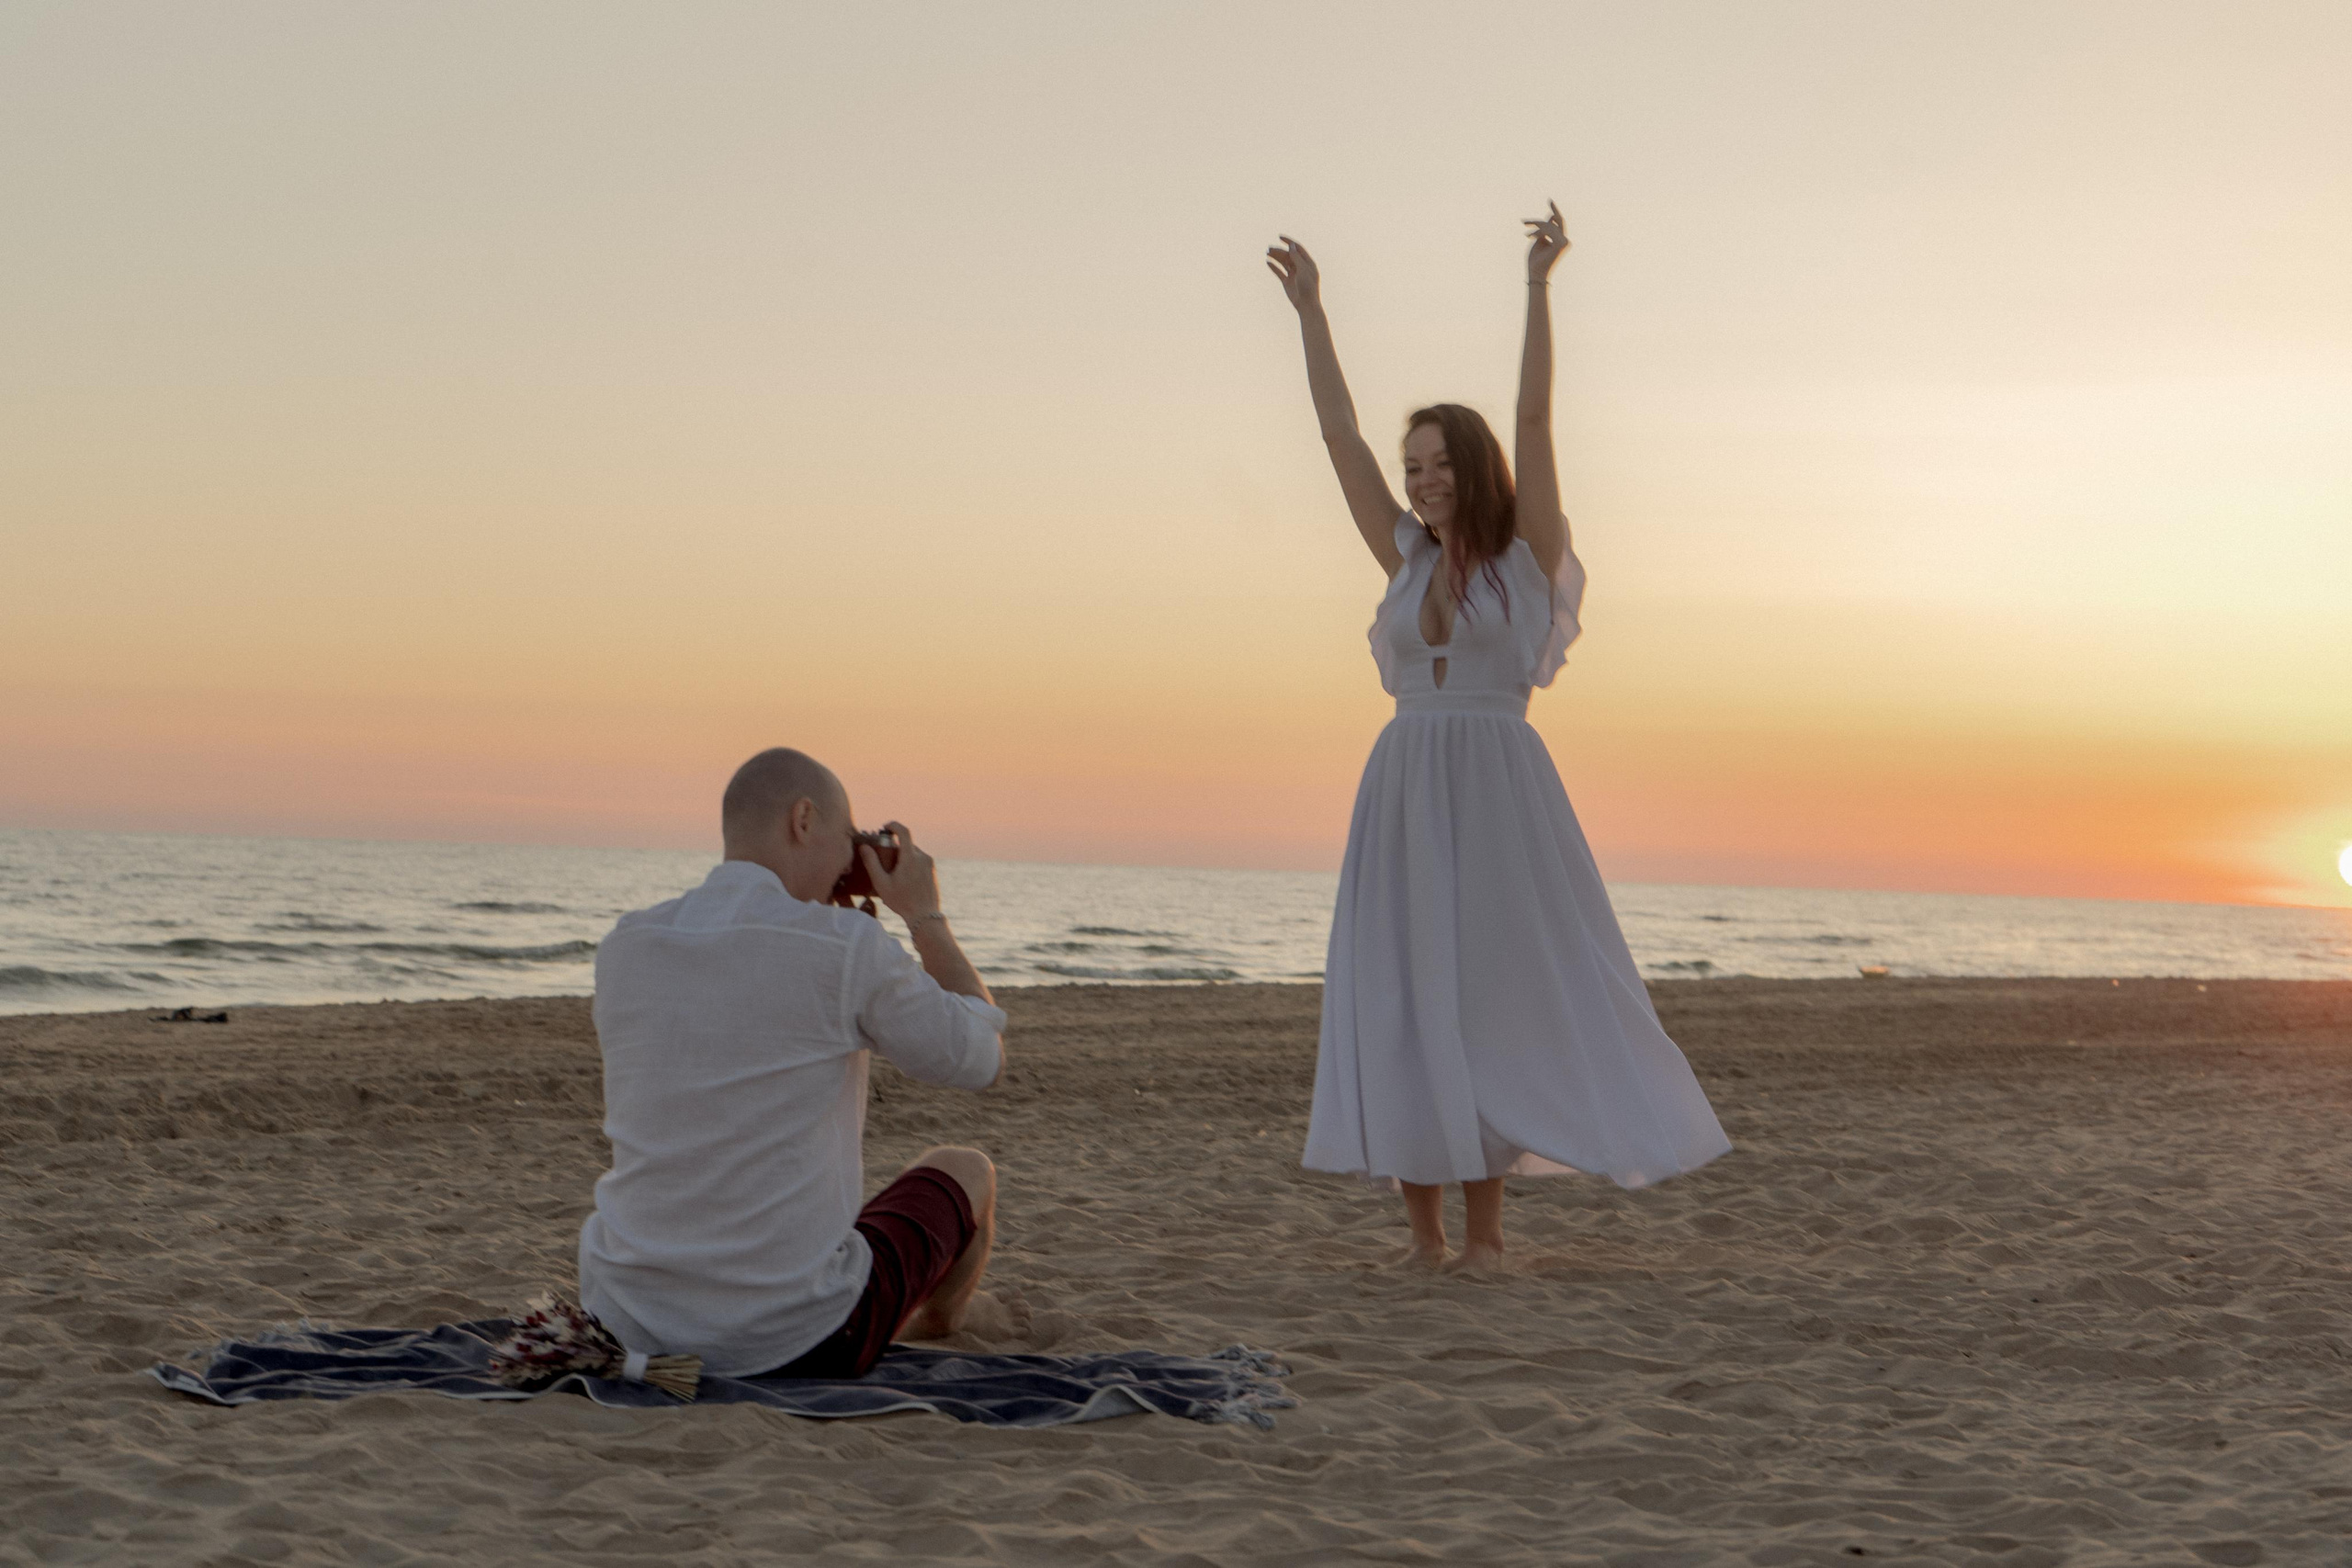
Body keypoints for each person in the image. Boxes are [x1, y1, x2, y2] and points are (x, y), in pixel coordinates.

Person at [1267, 205, 1732, 1271]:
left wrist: (1536, 286)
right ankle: (1424, 1237)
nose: (1421, 480)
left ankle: (1485, 1236)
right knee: (1406, 998)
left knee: (1487, 1000)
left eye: (1438, 463)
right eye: (1412, 467)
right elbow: (1338, 440)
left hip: (1496, 788)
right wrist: (1311, 315)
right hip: (1403, 785)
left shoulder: (1528, 558)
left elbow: (1533, 418)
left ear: (1471, 468)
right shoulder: (1402, 559)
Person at [575, 747, 1007, 1378]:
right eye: (848, 838)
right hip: (796, 1335)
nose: (847, 862)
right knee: (967, 1168)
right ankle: (939, 1323)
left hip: (626, 1320)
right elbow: (979, 1058)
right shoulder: (844, 946)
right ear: (804, 820)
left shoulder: (627, 944)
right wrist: (924, 915)